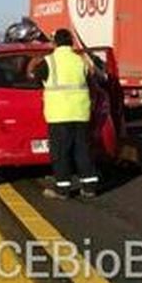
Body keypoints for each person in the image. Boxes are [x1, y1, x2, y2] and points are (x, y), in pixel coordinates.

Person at [32, 28, 100, 199]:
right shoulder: (81, 61)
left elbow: (34, 78)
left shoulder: (49, 61)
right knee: (83, 150)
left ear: (55, 43)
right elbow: (91, 80)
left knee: (61, 153)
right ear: (70, 42)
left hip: (59, 115)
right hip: (81, 113)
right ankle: (89, 187)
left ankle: (62, 189)